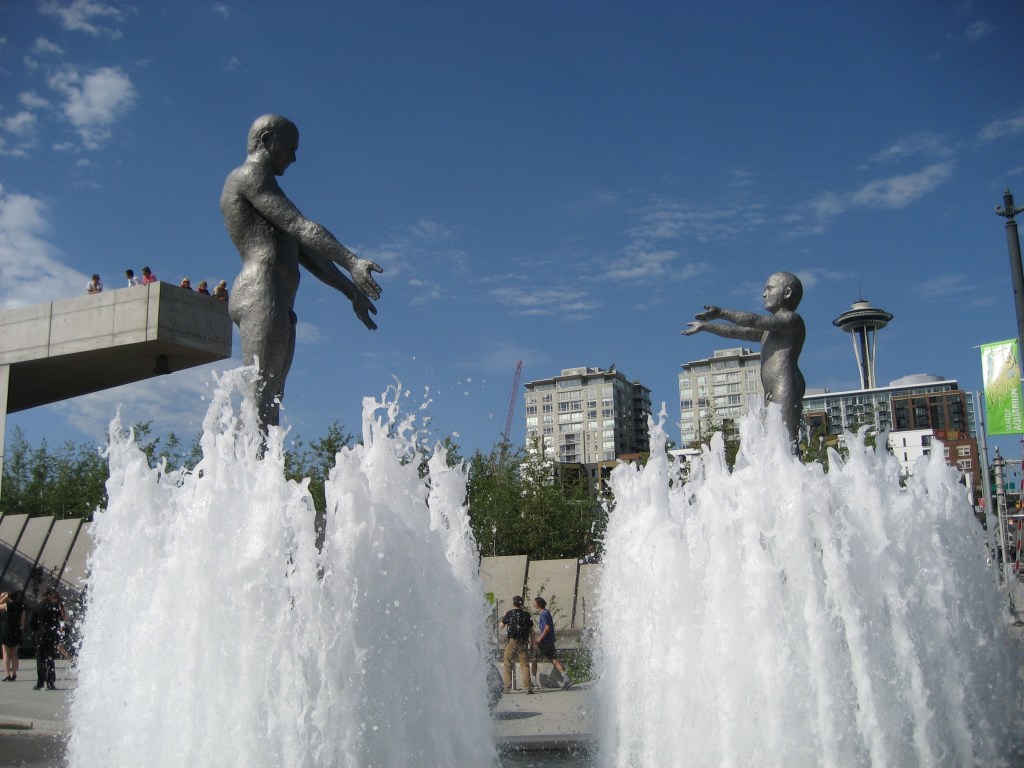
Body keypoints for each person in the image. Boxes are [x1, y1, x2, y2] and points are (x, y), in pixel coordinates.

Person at [221, 114, 382, 431]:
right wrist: (352, 261)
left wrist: (352, 291)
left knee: (271, 400)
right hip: (259, 294)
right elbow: (301, 226)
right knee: (259, 398)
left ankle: (261, 462)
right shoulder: (249, 175)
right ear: (267, 140)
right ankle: (239, 460)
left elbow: (307, 252)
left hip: (277, 302)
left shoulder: (269, 193)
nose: (293, 158)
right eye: (290, 148)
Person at [682, 271, 806, 447]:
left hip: (786, 384)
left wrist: (721, 312)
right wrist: (705, 327)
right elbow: (737, 332)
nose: (764, 294)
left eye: (769, 289)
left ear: (787, 293)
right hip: (771, 389)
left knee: (786, 442)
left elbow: (752, 320)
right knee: (772, 444)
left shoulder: (791, 319)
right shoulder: (769, 330)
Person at [530, 596, 573, 690]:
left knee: (534, 658)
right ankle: (566, 679)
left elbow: (547, 629)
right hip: (550, 640)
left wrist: (539, 640)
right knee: (553, 659)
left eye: (535, 603)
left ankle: (533, 681)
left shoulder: (543, 614)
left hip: (545, 641)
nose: (533, 604)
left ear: (538, 604)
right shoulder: (547, 613)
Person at [31, 588, 66, 690]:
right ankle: (50, 682)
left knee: (40, 659)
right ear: (49, 595)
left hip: (40, 635)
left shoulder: (37, 607)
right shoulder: (54, 607)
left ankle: (40, 682)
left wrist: (37, 630)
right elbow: (60, 619)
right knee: (50, 658)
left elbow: (32, 623)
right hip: (51, 635)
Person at [499, 595, 534, 694]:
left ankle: (507, 687)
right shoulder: (526, 614)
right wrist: (533, 643)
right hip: (523, 641)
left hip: (512, 641)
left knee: (507, 661)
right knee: (524, 664)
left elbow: (501, 626)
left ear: (513, 603)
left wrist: (504, 616)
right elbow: (532, 631)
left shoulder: (509, 614)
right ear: (521, 604)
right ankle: (528, 687)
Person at [0, 591, 26, 682]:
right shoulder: (22, 606)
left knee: (6, 653)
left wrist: (4, 598)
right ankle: (14, 673)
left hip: (6, 630)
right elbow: (22, 621)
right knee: (14, 654)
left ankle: (7, 674)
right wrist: (21, 630)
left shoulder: (7, 605)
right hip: (16, 630)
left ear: (9, 597)